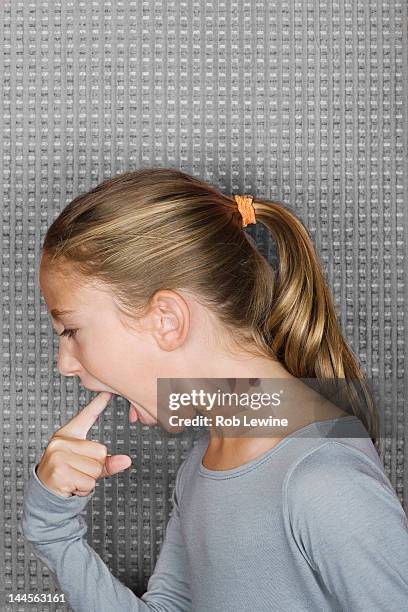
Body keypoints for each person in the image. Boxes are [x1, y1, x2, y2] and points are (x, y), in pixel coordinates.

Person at [19, 168, 408, 611]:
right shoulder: (204, 464)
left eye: (70, 330)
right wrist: (53, 532)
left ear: (166, 320)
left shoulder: (324, 484)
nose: (65, 366)